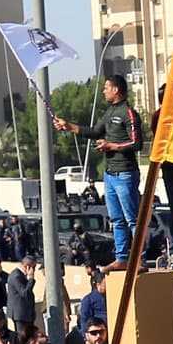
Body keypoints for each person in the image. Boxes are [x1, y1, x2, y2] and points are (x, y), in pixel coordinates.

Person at [55, 73, 147, 262]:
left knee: (132, 219)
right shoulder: (110, 112)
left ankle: (140, 258)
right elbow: (95, 131)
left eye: (106, 88)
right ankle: (122, 258)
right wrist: (69, 126)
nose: (104, 91)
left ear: (116, 89)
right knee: (116, 220)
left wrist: (112, 146)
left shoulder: (128, 112)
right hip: (110, 175)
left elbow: (137, 143)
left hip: (125, 174)